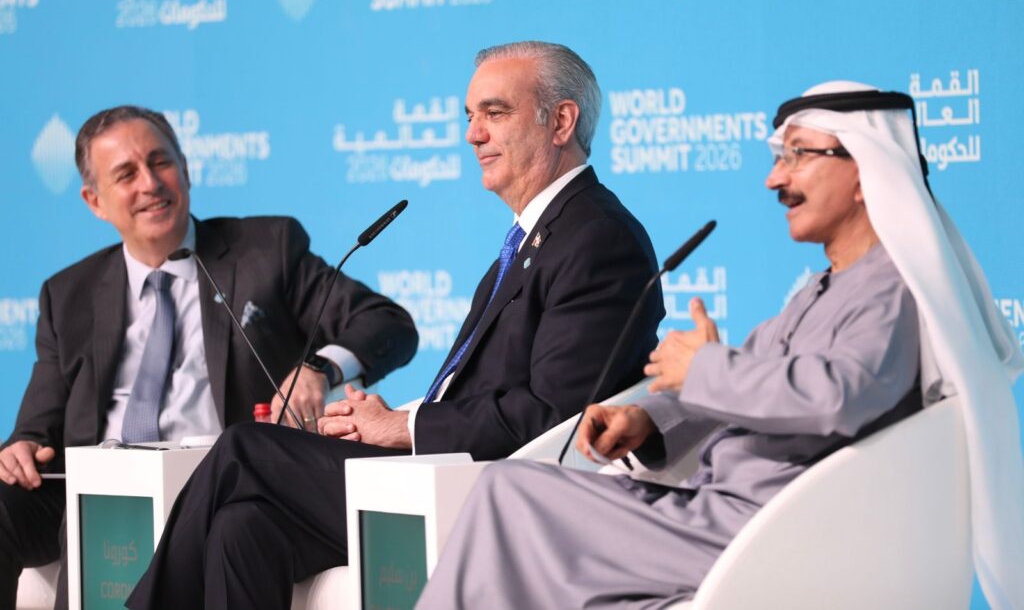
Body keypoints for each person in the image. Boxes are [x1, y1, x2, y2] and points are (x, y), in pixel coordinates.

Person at [417, 80, 1024, 609]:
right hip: (710, 513)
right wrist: (648, 421)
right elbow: (746, 383)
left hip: (762, 532)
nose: (775, 179)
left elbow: (837, 396)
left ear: (865, 171)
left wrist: (706, 367)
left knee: (508, 493)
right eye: (779, 158)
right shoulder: (822, 290)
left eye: (797, 156)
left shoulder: (895, 293)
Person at [126, 41, 664, 609]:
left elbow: (557, 417)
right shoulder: (539, 236)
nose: (473, 134)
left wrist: (406, 428)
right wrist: (387, 419)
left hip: (499, 496)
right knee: (244, 527)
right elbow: (491, 390)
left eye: (495, 112)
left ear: (560, 122)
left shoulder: (597, 237)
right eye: (470, 116)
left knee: (245, 449)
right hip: (447, 473)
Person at [0, 105, 419, 608]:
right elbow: (35, 429)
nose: (150, 183)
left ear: (186, 168)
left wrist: (318, 368)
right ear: (95, 201)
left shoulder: (265, 249)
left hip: (219, 481)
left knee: (237, 519)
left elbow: (387, 323)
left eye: (161, 162)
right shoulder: (68, 293)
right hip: (101, 493)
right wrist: (21, 446)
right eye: (126, 174)